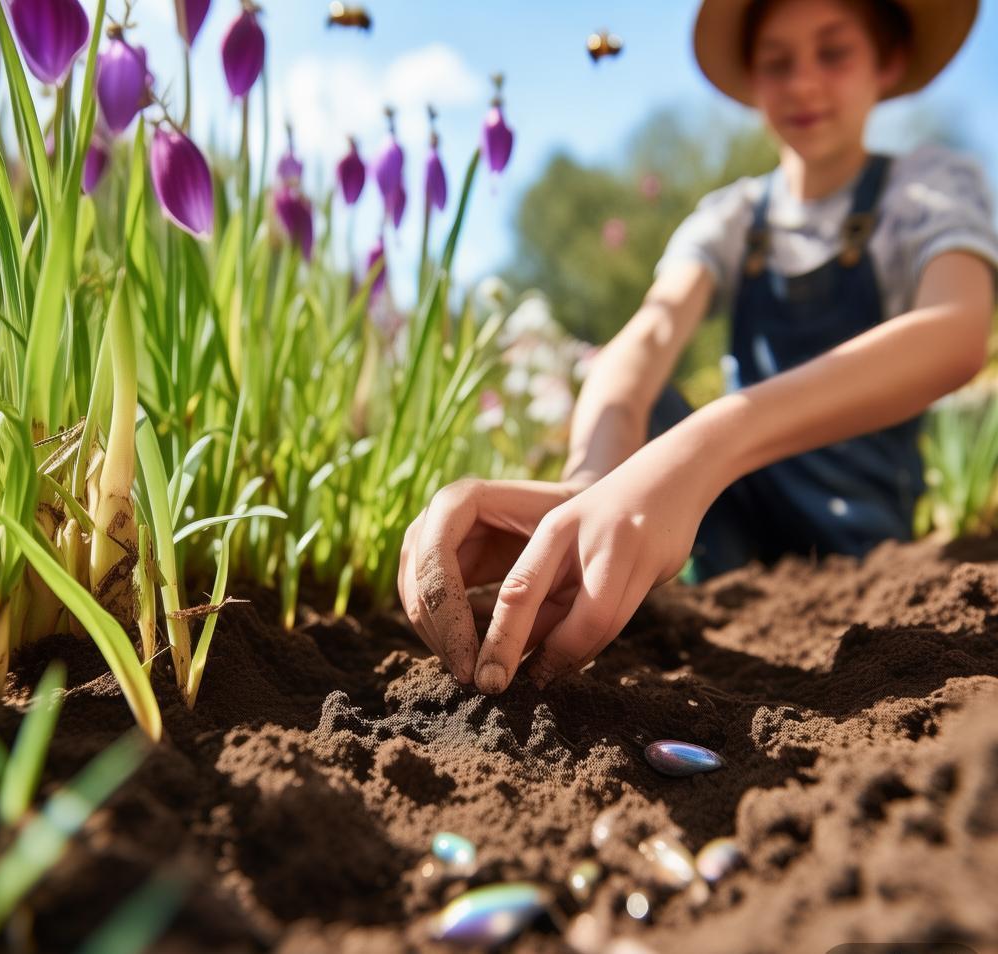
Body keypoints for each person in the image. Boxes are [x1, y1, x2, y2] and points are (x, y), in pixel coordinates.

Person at [397, 0, 998, 696]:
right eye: (778, 62)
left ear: (888, 63)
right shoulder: (732, 217)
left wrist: (712, 440)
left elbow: (956, 330)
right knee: (649, 418)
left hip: (862, 542)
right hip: (734, 535)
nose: (803, 83)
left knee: (683, 435)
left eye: (833, 53)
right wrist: (589, 482)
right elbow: (647, 337)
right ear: (752, 76)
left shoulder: (925, 189)